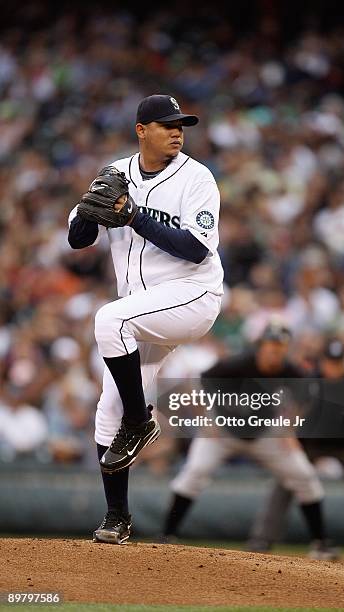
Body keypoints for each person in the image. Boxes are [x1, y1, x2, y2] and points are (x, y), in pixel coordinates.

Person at [68, 94, 224, 544]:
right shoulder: (115, 173)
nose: (177, 131)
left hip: (192, 296)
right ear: (141, 130)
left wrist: (132, 217)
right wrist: (90, 213)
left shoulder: (197, 178)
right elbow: (78, 239)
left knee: (108, 320)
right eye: (166, 124)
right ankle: (117, 517)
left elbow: (196, 247)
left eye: (182, 125)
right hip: (143, 312)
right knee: (107, 410)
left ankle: (140, 421)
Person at [161, 323, 338, 560]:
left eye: (280, 346)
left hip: (265, 433)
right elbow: (199, 382)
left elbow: (305, 399)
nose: (275, 351)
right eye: (271, 345)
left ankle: (321, 543)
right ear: (260, 347)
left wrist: (289, 429)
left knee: (304, 475)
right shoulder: (237, 364)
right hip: (223, 431)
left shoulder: (290, 370)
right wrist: (206, 419)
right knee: (194, 472)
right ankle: (166, 536)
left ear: (286, 349)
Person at [249, 338, 344, 558]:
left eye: (338, 363)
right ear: (322, 362)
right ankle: (262, 539)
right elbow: (291, 412)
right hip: (309, 444)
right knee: (285, 481)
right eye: (330, 363)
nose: (334, 368)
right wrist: (290, 437)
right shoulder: (310, 382)